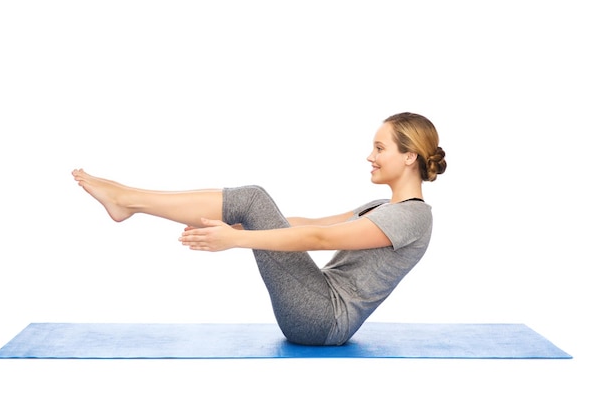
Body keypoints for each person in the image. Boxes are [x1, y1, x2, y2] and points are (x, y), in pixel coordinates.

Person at [72, 112, 446, 346]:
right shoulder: (382, 207)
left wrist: (237, 239)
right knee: (250, 205)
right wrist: (233, 222)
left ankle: (127, 199)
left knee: (253, 198)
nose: (370, 156)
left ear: (409, 155)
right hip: (316, 307)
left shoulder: (413, 217)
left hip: (323, 319)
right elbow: (308, 224)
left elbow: (320, 239)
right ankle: (130, 201)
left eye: (380, 148)